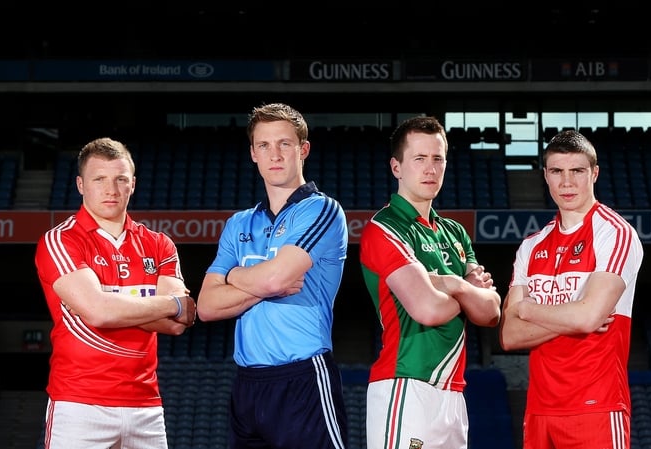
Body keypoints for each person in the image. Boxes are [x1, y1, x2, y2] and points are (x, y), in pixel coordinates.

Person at [196, 102, 349, 449]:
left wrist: (233, 276)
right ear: (253, 153)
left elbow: (277, 280)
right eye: (264, 145)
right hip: (247, 384)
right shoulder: (239, 223)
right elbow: (206, 305)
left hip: (303, 379)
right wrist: (257, 278)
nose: (274, 154)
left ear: (303, 149)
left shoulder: (322, 209)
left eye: (284, 144)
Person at [34, 137, 197, 449]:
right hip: (80, 405)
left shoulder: (158, 244)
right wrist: (167, 304)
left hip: (146, 407)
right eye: (99, 179)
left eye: (120, 179)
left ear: (132, 184)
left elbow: (179, 320)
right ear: (81, 184)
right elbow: (99, 311)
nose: (111, 190)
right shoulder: (61, 241)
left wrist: (113, 304)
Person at [359, 115, 502, 449]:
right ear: (397, 167)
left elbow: (491, 312)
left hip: (453, 392)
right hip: (406, 386)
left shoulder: (455, 232)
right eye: (419, 159)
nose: (430, 169)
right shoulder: (384, 229)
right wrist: (467, 287)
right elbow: (426, 309)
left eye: (438, 159)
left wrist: (450, 284)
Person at [499, 129, 644, 449]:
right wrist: (573, 314)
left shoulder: (615, 234)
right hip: (539, 411)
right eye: (557, 171)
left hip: (597, 407)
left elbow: (588, 318)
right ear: (546, 176)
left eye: (577, 171)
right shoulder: (531, 246)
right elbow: (510, 336)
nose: (567, 182)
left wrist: (528, 309)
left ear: (594, 173)